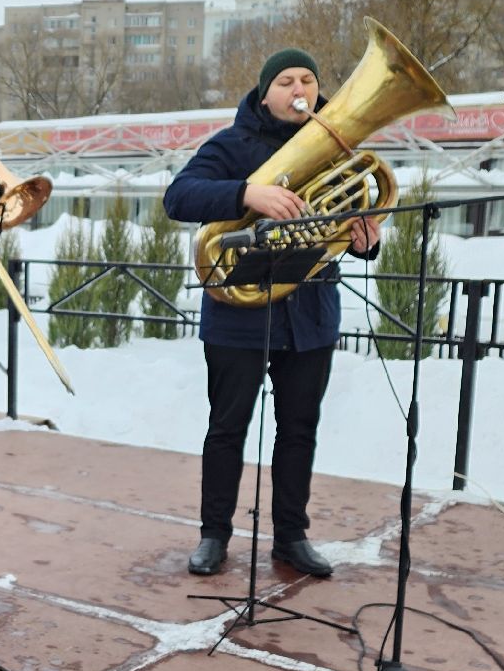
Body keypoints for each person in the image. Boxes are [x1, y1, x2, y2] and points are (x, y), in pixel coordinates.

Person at [161, 47, 382, 580]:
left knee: (299, 428)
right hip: (238, 315)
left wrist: (364, 240)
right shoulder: (232, 145)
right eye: (286, 80)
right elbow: (179, 197)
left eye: (308, 78)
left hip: (310, 316)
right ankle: (214, 535)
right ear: (265, 93)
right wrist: (247, 193)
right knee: (227, 428)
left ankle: (291, 536)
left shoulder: (338, 151)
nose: (299, 87)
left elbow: (345, 219)